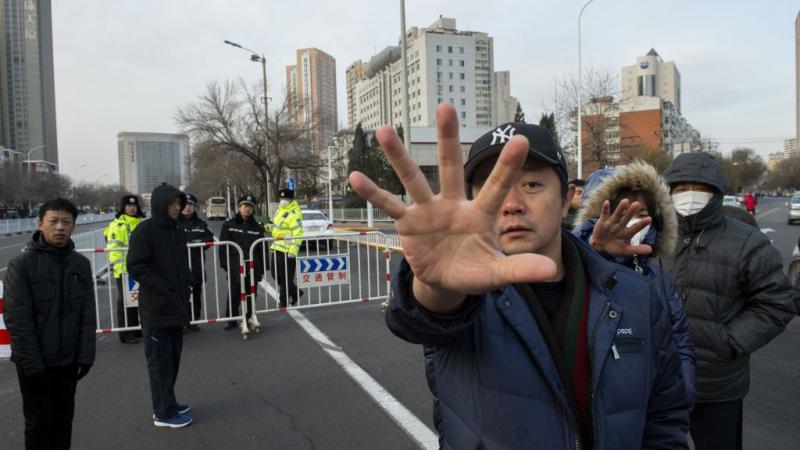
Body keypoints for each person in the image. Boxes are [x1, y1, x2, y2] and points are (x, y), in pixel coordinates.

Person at [349, 105, 691, 449]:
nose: (511, 204)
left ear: (565, 200)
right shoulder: (464, 294)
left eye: (531, 183)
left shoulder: (637, 295)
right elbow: (423, 318)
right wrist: (435, 284)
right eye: (491, 189)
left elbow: (664, 417)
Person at [660, 153, 797, 450]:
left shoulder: (748, 242)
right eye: (680, 188)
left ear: (717, 192)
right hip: (661, 381)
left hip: (718, 384)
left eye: (699, 187)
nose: (689, 195)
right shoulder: (656, 238)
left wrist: (729, 340)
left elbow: (777, 302)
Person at [573, 162, 696, 403]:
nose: (633, 222)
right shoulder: (573, 268)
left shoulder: (654, 273)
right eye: (622, 212)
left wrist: (684, 389)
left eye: (641, 214)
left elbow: (679, 336)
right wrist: (594, 254)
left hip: (651, 410)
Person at [3, 198, 96, 449]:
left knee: (64, 420)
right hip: (35, 364)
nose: (60, 227)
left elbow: (87, 314)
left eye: (66, 222)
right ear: (39, 223)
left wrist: (86, 356)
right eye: (53, 221)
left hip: (68, 361)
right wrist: (34, 366)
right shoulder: (21, 265)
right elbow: (17, 320)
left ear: (73, 226)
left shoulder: (81, 264)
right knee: (38, 424)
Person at [126, 183, 194, 428]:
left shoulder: (177, 230)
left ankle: (169, 401)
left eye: (179, 204)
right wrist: (163, 286)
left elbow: (178, 263)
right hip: (156, 309)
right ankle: (162, 413)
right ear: (160, 204)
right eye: (172, 204)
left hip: (176, 306)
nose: (177, 208)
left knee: (173, 358)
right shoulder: (145, 231)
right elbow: (135, 266)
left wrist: (187, 279)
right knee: (159, 362)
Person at [219, 194, 265, 330]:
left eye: (250, 206)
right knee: (234, 293)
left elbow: (262, 247)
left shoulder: (256, 226)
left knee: (251, 293)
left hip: (253, 265)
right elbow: (223, 246)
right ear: (239, 207)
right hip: (235, 265)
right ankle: (231, 319)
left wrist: (262, 268)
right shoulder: (229, 224)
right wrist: (225, 265)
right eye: (245, 206)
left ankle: (249, 317)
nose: (247, 209)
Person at [104, 194, 146, 344]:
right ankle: (126, 333)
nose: (132, 208)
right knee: (125, 303)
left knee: (136, 300)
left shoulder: (140, 223)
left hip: (140, 269)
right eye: (129, 205)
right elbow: (113, 249)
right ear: (123, 207)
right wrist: (119, 267)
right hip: (124, 270)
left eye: (134, 205)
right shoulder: (118, 225)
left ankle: (135, 329)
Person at [178, 193, 214, 333]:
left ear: (194, 207)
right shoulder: (173, 223)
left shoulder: (201, 224)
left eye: (190, 205)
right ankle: (181, 322)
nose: (187, 207)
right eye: (185, 205)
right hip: (179, 267)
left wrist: (198, 243)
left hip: (196, 265)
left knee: (196, 294)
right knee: (181, 296)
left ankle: (194, 320)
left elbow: (209, 237)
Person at [269, 188, 304, 308]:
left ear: (291, 199)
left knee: (286, 277)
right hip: (277, 248)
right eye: (281, 198)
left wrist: (292, 252)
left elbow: (298, 233)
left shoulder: (295, 213)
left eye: (286, 198)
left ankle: (283, 302)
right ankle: (296, 292)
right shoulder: (279, 210)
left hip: (288, 251)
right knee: (275, 275)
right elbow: (277, 228)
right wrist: (269, 227)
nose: (283, 200)